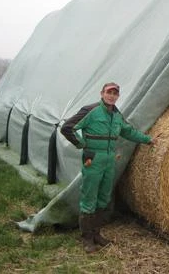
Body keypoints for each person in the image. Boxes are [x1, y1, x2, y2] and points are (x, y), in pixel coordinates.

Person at [61, 82, 155, 253]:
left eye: (115, 93)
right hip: (93, 160)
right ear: (102, 93)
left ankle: (96, 233)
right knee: (89, 197)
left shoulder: (116, 115)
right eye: (109, 92)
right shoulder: (91, 110)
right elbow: (67, 127)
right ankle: (87, 238)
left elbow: (128, 132)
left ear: (118, 96)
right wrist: (82, 144)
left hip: (110, 161)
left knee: (103, 198)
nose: (112, 96)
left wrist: (147, 139)